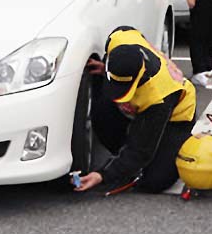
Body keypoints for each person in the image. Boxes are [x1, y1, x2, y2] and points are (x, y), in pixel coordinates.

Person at [75, 26, 197, 194]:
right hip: (142, 104)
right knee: (102, 112)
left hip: (175, 116)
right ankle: (124, 160)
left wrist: (102, 175)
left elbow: (140, 151)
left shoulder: (158, 96)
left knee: (154, 181)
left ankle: (177, 143)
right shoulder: (119, 38)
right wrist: (106, 68)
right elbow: (131, 32)